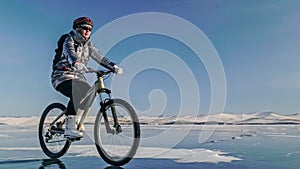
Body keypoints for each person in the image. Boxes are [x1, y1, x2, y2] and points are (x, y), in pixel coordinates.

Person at [51, 16, 123, 138]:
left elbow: (100, 57)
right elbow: (69, 52)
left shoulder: (88, 45)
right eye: (85, 28)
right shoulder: (68, 39)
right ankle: (70, 127)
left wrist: (113, 66)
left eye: (90, 29)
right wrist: (76, 63)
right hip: (61, 76)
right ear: (78, 29)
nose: (88, 31)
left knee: (88, 94)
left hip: (78, 77)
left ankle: (75, 119)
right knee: (77, 92)